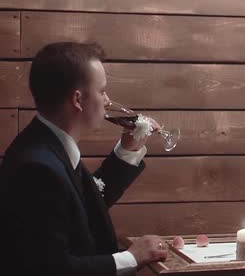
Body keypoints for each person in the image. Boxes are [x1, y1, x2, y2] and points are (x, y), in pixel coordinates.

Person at [0, 42, 168, 275]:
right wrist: (131, 257)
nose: (107, 100)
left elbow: (82, 206)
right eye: (101, 91)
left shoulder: (47, 144)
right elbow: (51, 268)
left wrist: (128, 150)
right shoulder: (37, 168)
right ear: (77, 100)